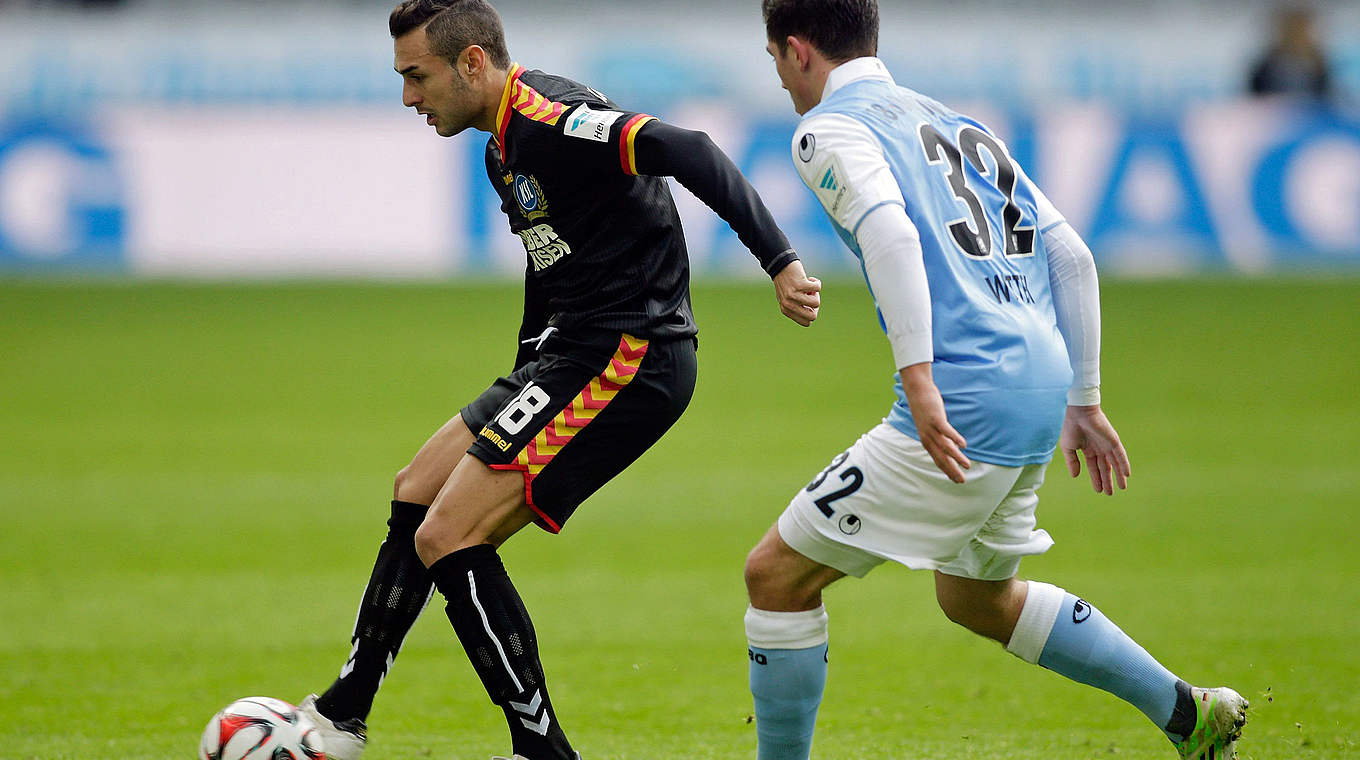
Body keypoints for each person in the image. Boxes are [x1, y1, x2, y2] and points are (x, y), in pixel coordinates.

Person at [293, 2, 823, 759]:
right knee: (418, 488)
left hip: (632, 354)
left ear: (472, 63)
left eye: (418, 76)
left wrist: (779, 261)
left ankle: (542, 751)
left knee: (449, 536)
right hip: (571, 353)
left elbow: (693, 149)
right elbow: (551, 269)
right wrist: (519, 380)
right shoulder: (503, 151)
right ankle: (346, 709)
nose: (409, 97)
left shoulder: (549, 118)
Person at [742, 2, 1249, 759]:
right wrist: (1084, 396)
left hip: (964, 396)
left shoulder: (826, 130)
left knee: (775, 576)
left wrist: (918, 379)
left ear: (799, 49)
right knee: (976, 597)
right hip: (1040, 387)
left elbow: (889, 232)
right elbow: (1070, 253)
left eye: (776, 58)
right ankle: (1187, 712)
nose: (780, 78)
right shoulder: (955, 123)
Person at [1248, 5, 1333, 101]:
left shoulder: (1318, 63)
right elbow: (1256, 96)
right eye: (1293, 28)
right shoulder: (1267, 64)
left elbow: (1325, 95)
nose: (1296, 33)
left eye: (1300, 28)